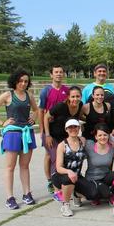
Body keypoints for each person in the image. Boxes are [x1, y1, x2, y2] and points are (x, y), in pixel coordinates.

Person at [0, 69, 38, 209]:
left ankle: (27, 193)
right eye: (20, 80)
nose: (23, 83)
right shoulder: (8, 95)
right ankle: (10, 197)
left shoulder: (29, 95)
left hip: (27, 133)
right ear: (15, 81)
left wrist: (33, 118)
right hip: (12, 134)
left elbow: (36, 110)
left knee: (24, 166)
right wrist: (2, 123)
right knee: (10, 167)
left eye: (26, 81)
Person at [43, 86, 83, 190]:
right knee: (55, 158)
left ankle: (63, 183)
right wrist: (47, 135)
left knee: (59, 158)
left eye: (78, 96)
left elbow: (77, 119)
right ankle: (52, 183)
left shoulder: (80, 106)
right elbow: (46, 117)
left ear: (81, 97)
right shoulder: (61, 106)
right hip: (51, 135)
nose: (75, 99)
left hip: (64, 136)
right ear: (68, 97)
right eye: (73, 96)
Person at [38, 65, 69, 194]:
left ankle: (61, 179)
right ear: (51, 74)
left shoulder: (66, 91)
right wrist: (43, 131)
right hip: (49, 129)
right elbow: (41, 111)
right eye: (56, 72)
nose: (58, 74)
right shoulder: (46, 91)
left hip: (62, 129)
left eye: (61, 72)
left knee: (63, 155)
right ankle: (50, 181)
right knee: (49, 155)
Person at [51, 119, 86, 217]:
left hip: (77, 176)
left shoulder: (83, 141)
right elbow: (58, 167)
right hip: (61, 175)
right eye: (70, 127)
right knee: (69, 178)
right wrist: (69, 171)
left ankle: (75, 193)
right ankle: (65, 205)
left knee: (93, 193)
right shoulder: (62, 145)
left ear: (79, 128)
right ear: (66, 129)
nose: (73, 129)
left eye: (75, 127)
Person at [82, 123, 114, 205]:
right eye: (100, 135)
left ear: (108, 136)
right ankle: (100, 194)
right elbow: (79, 141)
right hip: (92, 179)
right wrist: (81, 138)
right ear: (96, 137)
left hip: (105, 178)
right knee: (102, 193)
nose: (102, 137)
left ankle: (111, 194)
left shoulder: (112, 147)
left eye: (105, 135)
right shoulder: (89, 145)